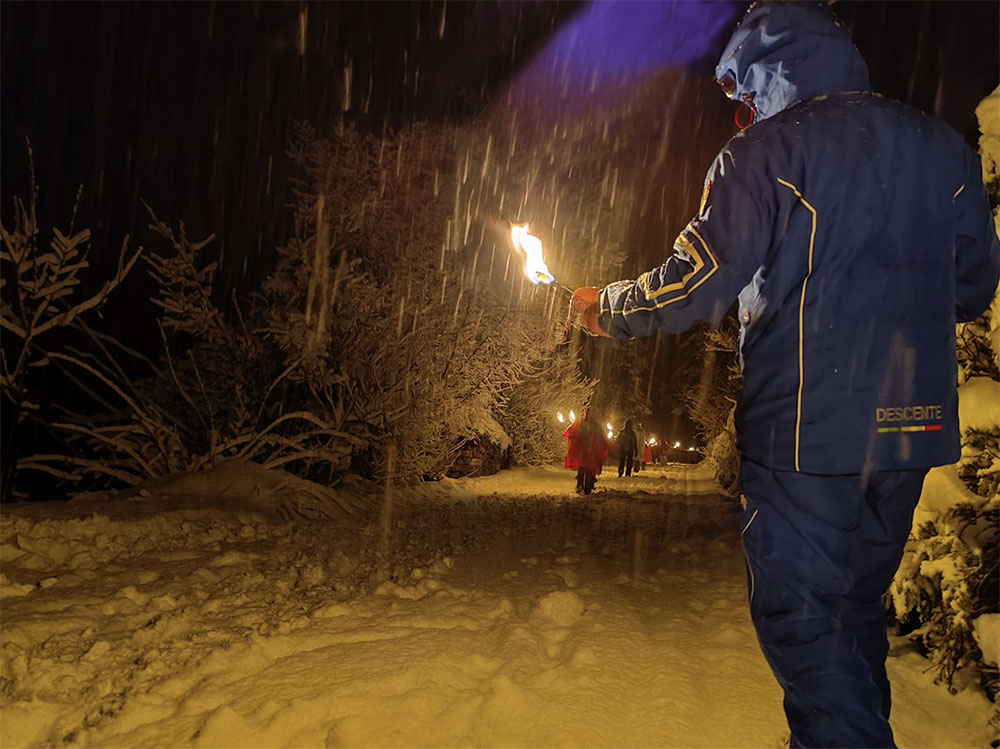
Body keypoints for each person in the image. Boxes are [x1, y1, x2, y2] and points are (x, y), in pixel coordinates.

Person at [571, 2, 1000, 747]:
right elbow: (972, 289)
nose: (742, 114)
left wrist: (607, 307)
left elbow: (694, 282)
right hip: (907, 433)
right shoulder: (942, 151)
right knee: (853, 613)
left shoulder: (766, 154)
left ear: (765, 74)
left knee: (805, 628)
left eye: (743, 96)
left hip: (807, 434)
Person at [563, 407, 610, 495]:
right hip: (589, 451)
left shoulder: (582, 424)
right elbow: (602, 437)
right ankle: (584, 485)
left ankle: (582, 485)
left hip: (585, 451)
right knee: (587, 468)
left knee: (583, 468)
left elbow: (574, 433)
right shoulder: (593, 425)